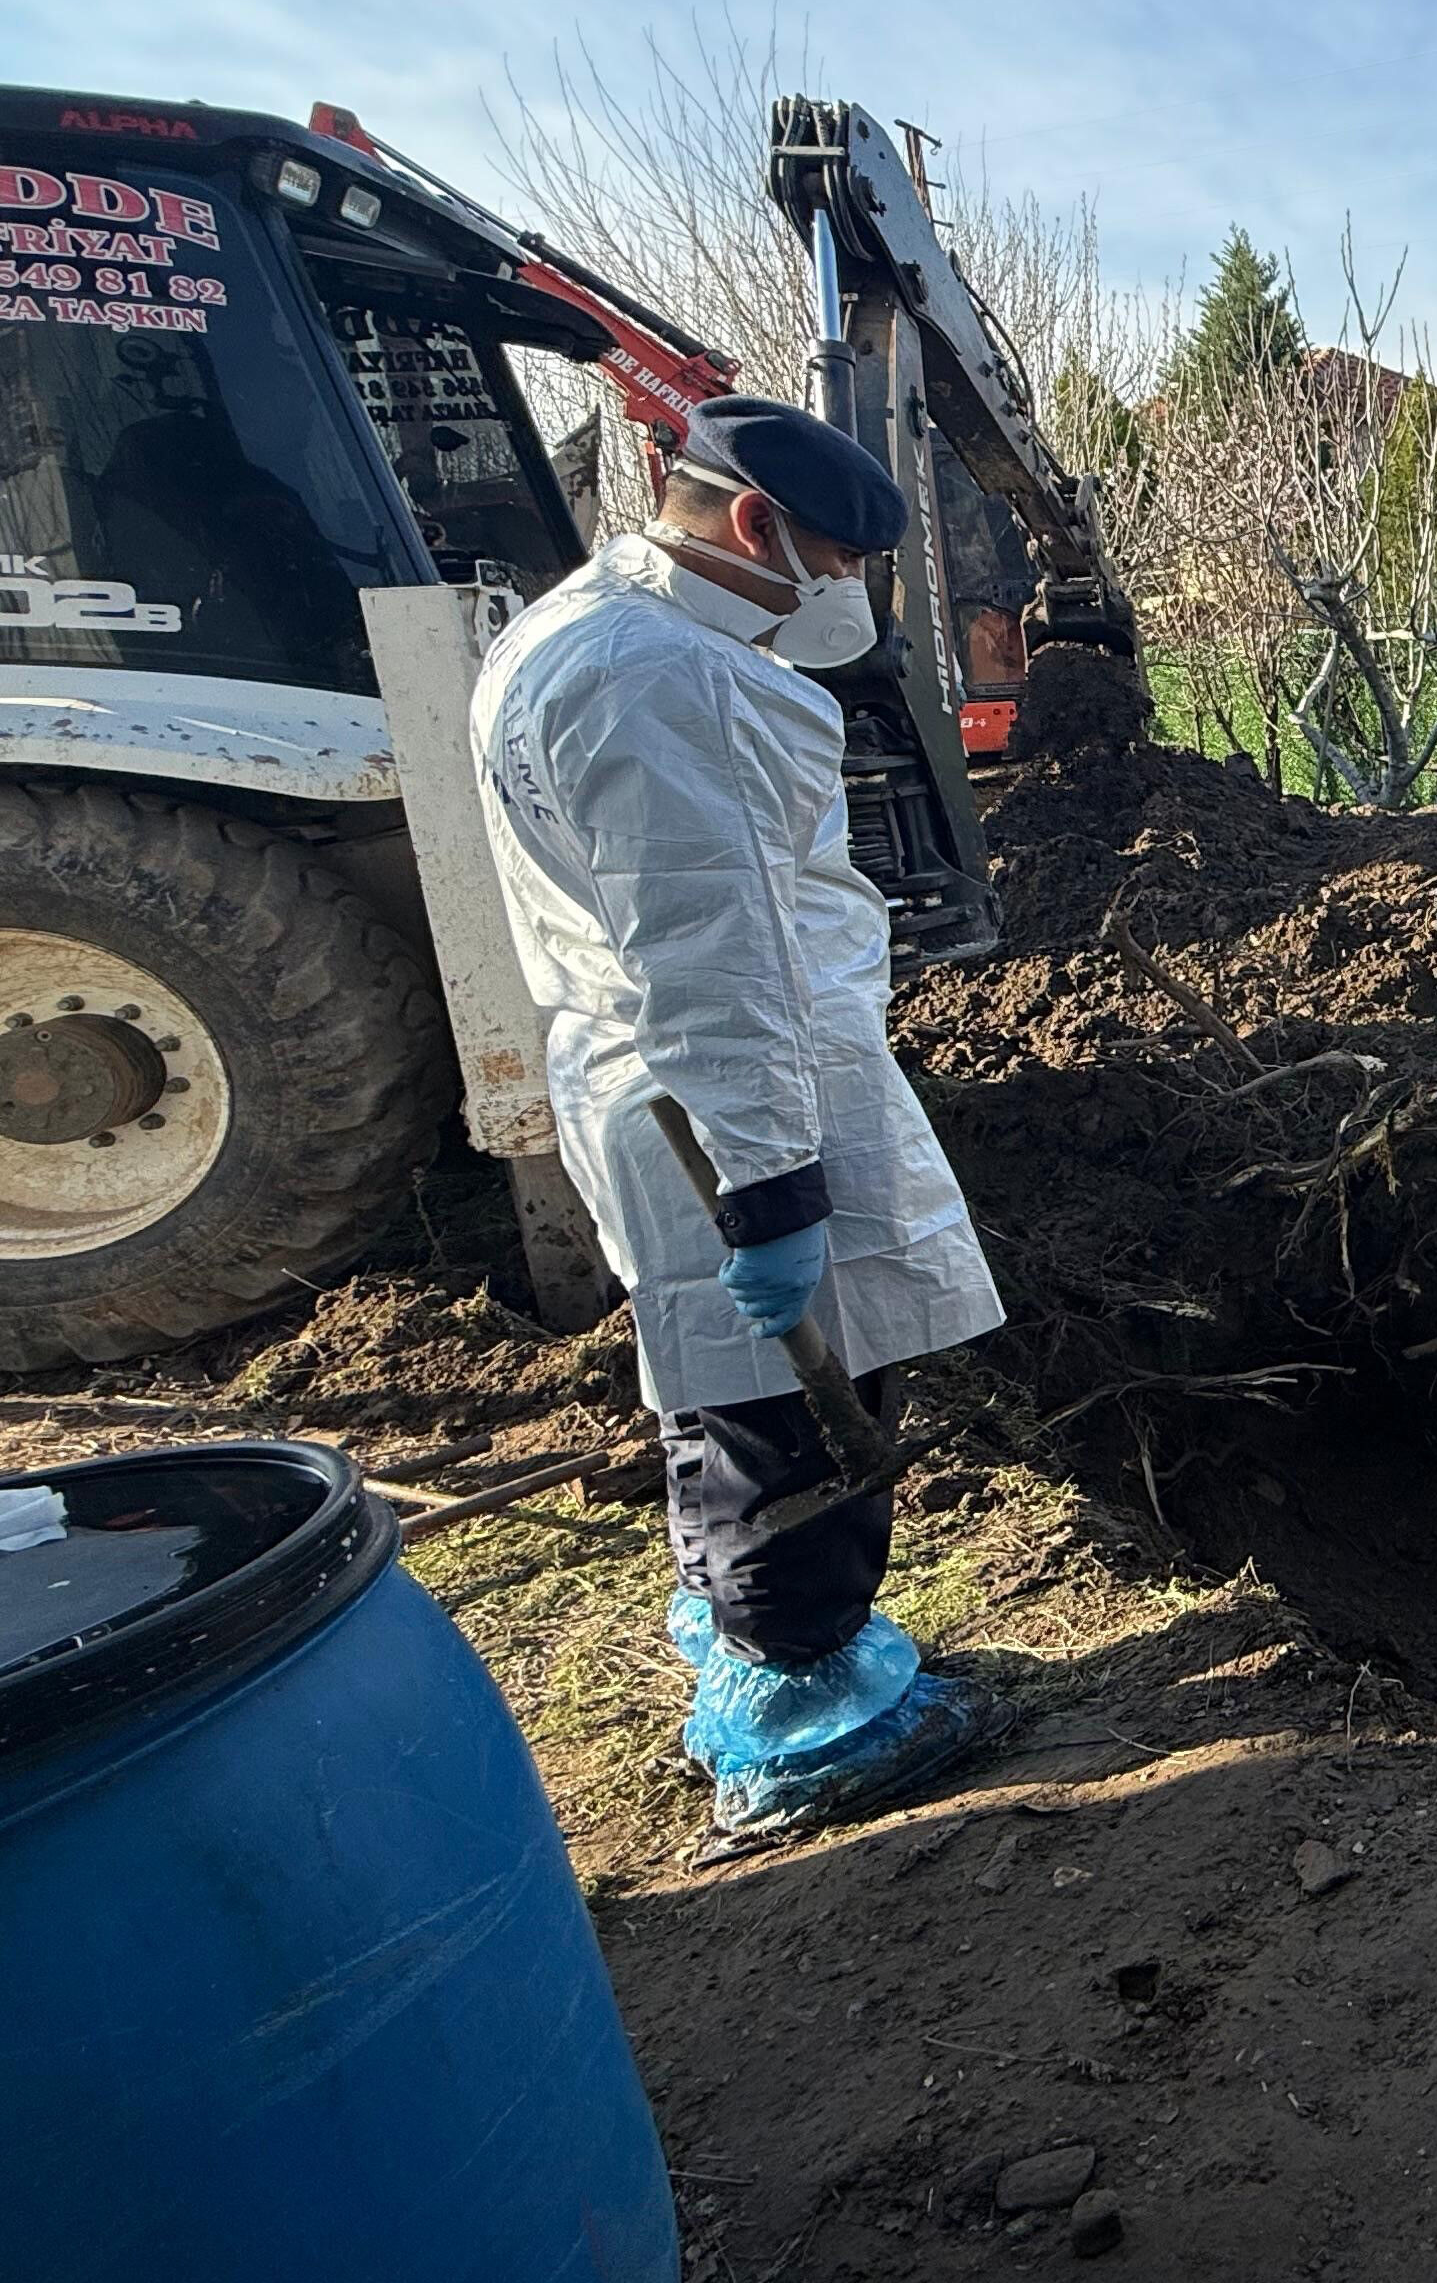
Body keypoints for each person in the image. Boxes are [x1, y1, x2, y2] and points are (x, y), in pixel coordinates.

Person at [472, 394, 1012, 1858]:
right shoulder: (676, 683)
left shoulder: (573, 634)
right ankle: (813, 1728)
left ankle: (763, 1650)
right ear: (758, 528)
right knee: (795, 1422)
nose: (847, 599)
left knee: (725, 1403)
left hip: (653, 1095)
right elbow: (720, 955)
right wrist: (773, 1186)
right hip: (737, 1111)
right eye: (838, 564)